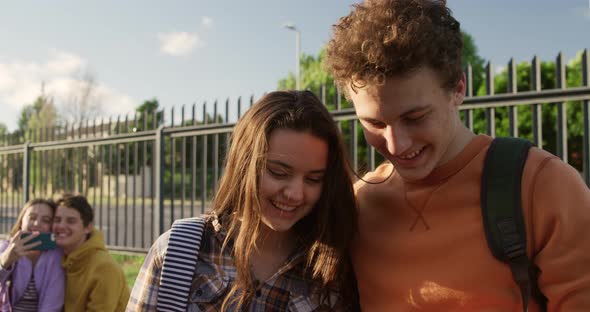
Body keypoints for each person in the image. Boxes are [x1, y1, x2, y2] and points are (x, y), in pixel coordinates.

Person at [325, 0, 590, 311]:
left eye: (415, 117)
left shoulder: (541, 185)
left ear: (458, 88)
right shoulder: (359, 203)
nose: (396, 145)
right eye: (375, 123)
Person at [127, 90, 358, 311]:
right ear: (243, 165)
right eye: (279, 173)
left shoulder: (333, 269)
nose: (296, 194)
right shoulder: (177, 252)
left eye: (313, 179)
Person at [53, 193, 130, 311]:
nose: (61, 226)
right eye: (57, 220)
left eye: (71, 221)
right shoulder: (60, 258)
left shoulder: (104, 268)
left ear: (88, 228)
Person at [0, 198, 64, 311]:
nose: (37, 224)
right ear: (21, 222)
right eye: (32, 218)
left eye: (46, 220)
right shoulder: (6, 247)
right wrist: (5, 261)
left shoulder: (56, 255)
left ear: (52, 227)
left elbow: (52, 305)